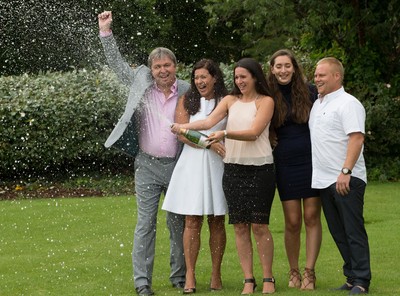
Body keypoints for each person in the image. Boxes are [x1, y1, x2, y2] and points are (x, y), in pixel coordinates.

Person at [98, 11, 190, 296]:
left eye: (167, 65)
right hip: (147, 165)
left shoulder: (187, 89)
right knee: (145, 224)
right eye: (157, 66)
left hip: (179, 165)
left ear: (175, 67)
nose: (163, 70)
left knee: (179, 224)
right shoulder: (141, 83)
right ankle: (142, 283)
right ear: (150, 69)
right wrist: (105, 33)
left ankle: (180, 275)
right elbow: (116, 65)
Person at [171, 58, 276, 294]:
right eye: (237, 77)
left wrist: (223, 133)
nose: (239, 81)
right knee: (239, 227)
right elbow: (208, 121)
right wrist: (182, 128)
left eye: (243, 77)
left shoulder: (266, 101)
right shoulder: (230, 100)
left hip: (259, 169)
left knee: (259, 225)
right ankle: (248, 280)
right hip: (233, 168)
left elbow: (254, 133)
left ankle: (268, 278)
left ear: (255, 78)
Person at [162, 59, 228, 294]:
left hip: (218, 165)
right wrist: (208, 144)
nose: (199, 81)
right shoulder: (187, 100)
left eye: (204, 77)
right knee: (192, 220)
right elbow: (181, 133)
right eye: (196, 77)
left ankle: (216, 273)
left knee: (217, 219)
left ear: (215, 78)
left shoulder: (226, 101)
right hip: (192, 163)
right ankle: (190, 274)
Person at [309, 57, 371, 295]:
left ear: (337, 76)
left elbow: (356, 138)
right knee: (338, 232)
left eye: (322, 75)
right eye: (316, 75)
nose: (317, 79)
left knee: (353, 231)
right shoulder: (318, 104)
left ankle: (362, 281)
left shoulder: (349, 104)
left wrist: (345, 171)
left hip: (346, 179)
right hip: (324, 180)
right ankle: (351, 276)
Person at [267, 49, 322, 290]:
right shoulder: (268, 94)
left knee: (311, 216)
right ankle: (294, 271)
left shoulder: (310, 91)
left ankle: (310, 272)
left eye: (287, 65)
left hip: (312, 161)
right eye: (278, 66)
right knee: (292, 221)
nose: (283, 70)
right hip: (285, 163)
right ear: (271, 69)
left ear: (294, 67)